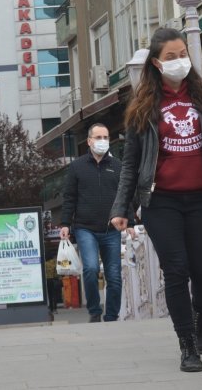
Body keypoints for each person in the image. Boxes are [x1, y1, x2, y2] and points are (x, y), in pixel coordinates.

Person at [109, 27, 202, 373]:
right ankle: (187, 345)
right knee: (176, 271)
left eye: (183, 54)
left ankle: (199, 316)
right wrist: (121, 208)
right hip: (161, 203)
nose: (179, 61)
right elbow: (131, 163)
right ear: (157, 63)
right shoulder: (143, 106)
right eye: (171, 57)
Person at [59, 123, 124, 323]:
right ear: (89, 141)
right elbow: (69, 197)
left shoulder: (117, 166)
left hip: (111, 229)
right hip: (85, 228)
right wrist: (65, 224)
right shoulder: (77, 166)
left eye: (105, 137)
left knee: (113, 275)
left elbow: (125, 195)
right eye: (98, 137)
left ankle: (111, 316)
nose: (102, 141)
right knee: (91, 269)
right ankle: (94, 312)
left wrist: (128, 221)